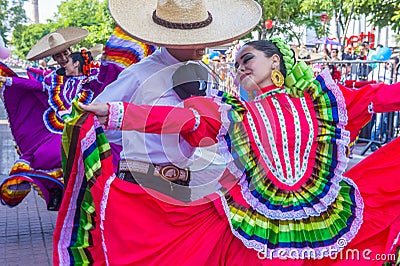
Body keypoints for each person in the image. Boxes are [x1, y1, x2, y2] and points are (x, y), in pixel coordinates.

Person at [78, 37, 400, 265]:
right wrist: (118, 112)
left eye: (247, 60)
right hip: (252, 227)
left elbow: (383, 96)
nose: (240, 68)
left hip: (321, 217)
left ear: (275, 60)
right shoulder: (233, 113)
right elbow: (184, 120)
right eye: (235, 65)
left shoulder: (320, 102)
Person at [53, 0, 262, 264]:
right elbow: (96, 119)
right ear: (170, 39)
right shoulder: (139, 75)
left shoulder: (206, 75)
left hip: (190, 193)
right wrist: (137, 134)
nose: (205, 44)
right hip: (144, 192)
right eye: (195, 38)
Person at [0, 26, 155, 211]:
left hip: (94, 127)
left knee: (104, 157)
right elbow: (36, 88)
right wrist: (10, 81)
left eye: (64, 54)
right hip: (61, 129)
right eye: (57, 57)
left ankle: (104, 202)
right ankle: (60, 194)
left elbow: (110, 83)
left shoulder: (94, 76)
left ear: (72, 54)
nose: (62, 59)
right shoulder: (52, 79)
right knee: (45, 156)